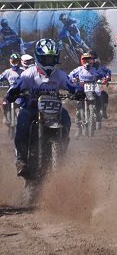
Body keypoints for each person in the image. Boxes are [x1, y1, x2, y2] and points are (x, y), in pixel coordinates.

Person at [6, 39, 82, 176]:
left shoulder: (60, 75)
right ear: (38, 57)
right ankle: (21, 160)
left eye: (52, 58)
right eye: (46, 58)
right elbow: (16, 86)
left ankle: (62, 151)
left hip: (54, 109)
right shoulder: (29, 73)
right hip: (32, 108)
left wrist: (78, 91)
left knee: (66, 118)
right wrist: (12, 93)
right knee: (22, 122)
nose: (49, 61)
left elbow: (72, 85)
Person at [68, 51, 107, 132]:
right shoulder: (79, 69)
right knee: (78, 107)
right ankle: (78, 127)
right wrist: (73, 79)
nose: (87, 62)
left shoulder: (94, 69)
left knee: (98, 96)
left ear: (91, 60)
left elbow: (102, 75)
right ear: (82, 61)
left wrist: (104, 79)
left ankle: (99, 113)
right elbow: (69, 76)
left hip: (92, 89)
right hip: (81, 89)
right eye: (85, 60)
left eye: (88, 60)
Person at [1, 53, 23, 125]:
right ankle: (5, 117)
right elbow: (0, 77)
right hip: (10, 93)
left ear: (19, 62)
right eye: (14, 61)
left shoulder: (23, 71)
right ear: (10, 61)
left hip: (20, 93)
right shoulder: (7, 72)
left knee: (24, 106)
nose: (16, 63)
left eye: (17, 61)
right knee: (4, 103)